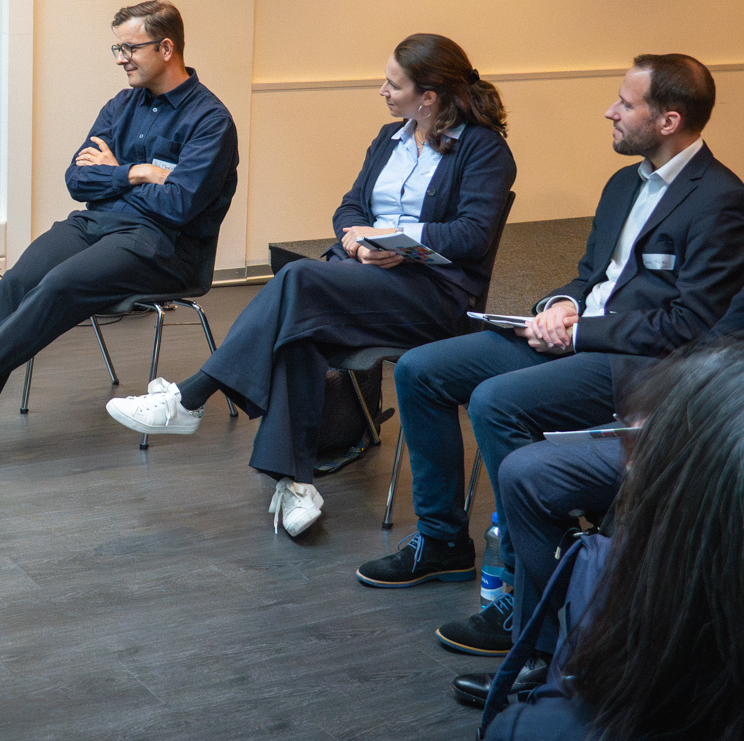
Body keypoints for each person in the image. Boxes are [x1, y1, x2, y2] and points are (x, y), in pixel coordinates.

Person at [357, 55, 744, 654]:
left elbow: (690, 326)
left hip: (637, 367)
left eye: (626, 103)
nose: (610, 111)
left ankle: (525, 590)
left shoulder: (721, 202)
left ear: (669, 120)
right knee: (421, 369)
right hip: (575, 338)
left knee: (495, 402)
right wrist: (560, 305)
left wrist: (578, 333)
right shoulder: (624, 184)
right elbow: (590, 277)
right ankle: (443, 542)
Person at [107, 34, 516, 535]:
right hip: (364, 279)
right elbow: (350, 206)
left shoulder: (484, 150)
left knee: (298, 278)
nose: (382, 91)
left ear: (428, 97)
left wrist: (394, 238)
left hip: (433, 297)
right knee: (297, 332)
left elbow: (472, 235)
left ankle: (190, 397)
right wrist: (360, 243)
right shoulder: (389, 138)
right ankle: (295, 482)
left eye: (393, 85)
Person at [0, 0, 238, 472]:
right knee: (17, 281)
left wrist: (114, 171)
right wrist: (137, 173)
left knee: (59, 285)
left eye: (130, 48)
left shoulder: (210, 121)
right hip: (97, 224)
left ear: (166, 48)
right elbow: (78, 180)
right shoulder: (121, 106)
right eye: (117, 48)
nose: (121, 58)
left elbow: (178, 205)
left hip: (163, 245)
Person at [448, 243, 744, 708]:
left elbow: (693, 328)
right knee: (525, 472)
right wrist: (667, 402)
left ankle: (632, 666)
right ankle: (549, 655)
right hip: (708, 420)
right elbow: (719, 339)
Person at [480, 331, 744, 741]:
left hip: (699, 395)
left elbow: (692, 322)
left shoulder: (536, 735)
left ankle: (566, 662)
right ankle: (544, 647)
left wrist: (683, 413)